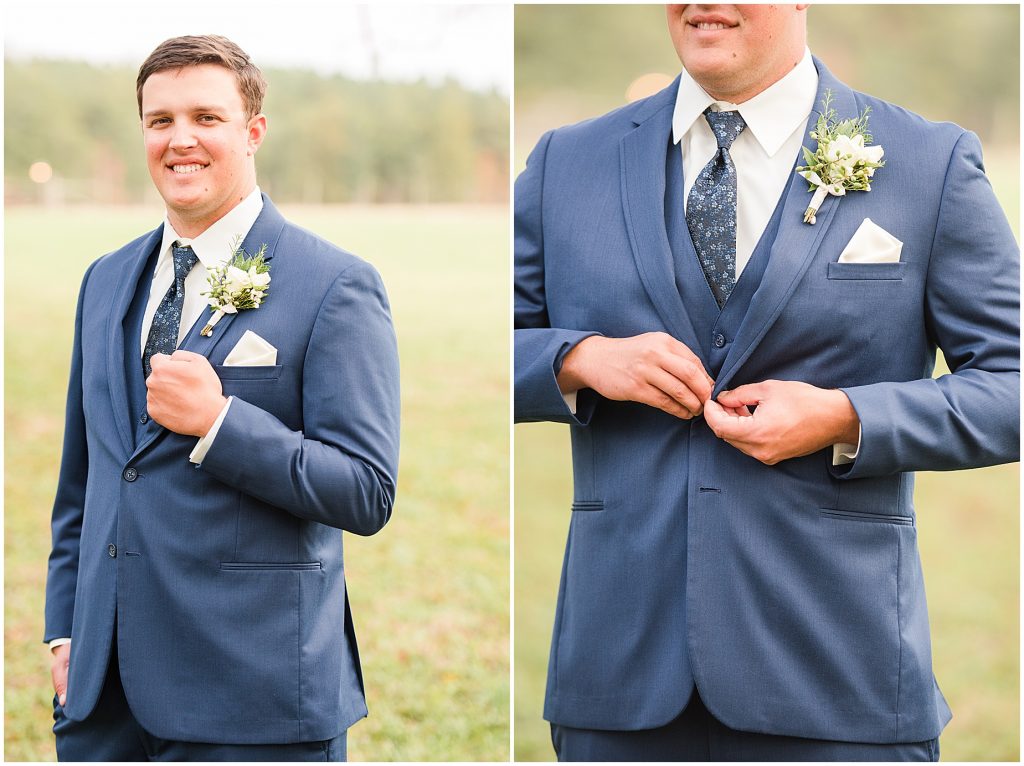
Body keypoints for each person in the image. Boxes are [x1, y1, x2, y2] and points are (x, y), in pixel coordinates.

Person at [514, 4, 1019, 761]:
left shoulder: (929, 163)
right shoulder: (567, 163)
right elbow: (485, 343)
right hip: (619, 681)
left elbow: (1010, 384)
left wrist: (848, 417)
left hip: (837, 678)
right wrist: (577, 360)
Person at [44, 35, 400, 761]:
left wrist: (221, 424)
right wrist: (66, 629)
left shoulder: (334, 285)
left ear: (253, 131)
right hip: (103, 697)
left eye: (206, 117)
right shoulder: (105, 279)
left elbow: (366, 491)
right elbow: (86, 477)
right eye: (159, 121)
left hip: (252, 696)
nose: (180, 141)